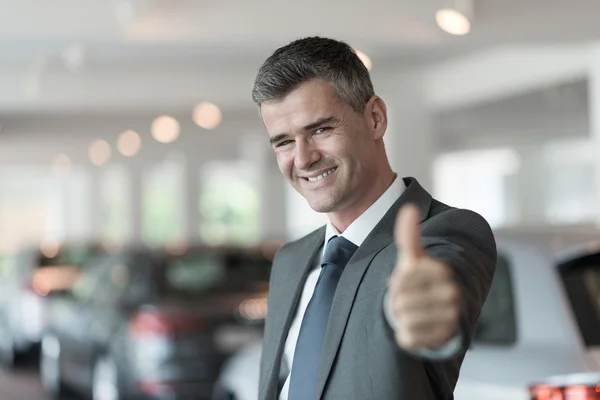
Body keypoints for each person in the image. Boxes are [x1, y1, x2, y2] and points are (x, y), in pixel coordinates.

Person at [251, 36, 497, 400]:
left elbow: (441, 293)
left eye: (319, 129)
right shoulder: (290, 261)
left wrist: (427, 313)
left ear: (375, 119)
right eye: (284, 142)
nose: (302, 159)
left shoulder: (444, 233)